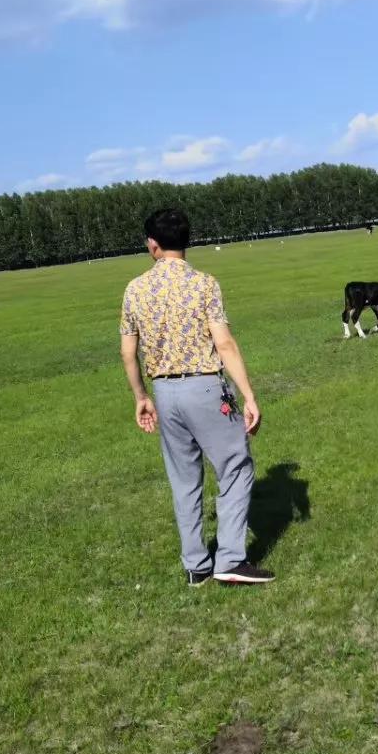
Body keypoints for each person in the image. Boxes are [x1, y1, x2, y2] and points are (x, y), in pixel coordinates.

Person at [119, 207, 275, 587]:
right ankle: (231, 559)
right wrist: (249, 394)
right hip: (204, 387)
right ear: (186, 242)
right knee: (236, 467)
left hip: (164, 392)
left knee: (184, 478)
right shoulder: (205, 283)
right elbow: (223, 342)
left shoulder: (135, 288)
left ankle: (196, 565)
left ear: (152, 245)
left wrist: (141, 397)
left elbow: (128, 351)